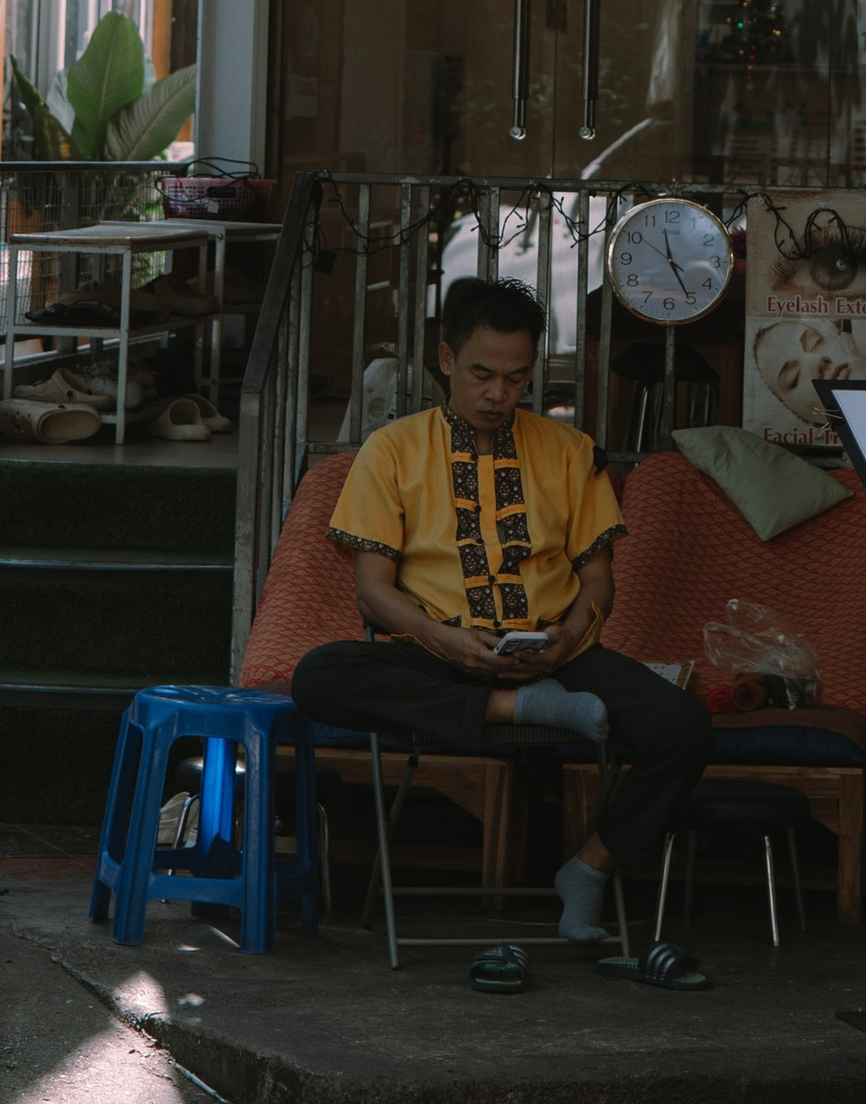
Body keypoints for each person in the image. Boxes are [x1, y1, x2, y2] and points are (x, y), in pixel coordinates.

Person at [290, 274, 713, 972]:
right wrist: (448, 640)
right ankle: (516, 706)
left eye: (516, 378)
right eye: (482, 374)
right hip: (438, 651)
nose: (498, 393)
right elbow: (373, 594)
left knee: (684, 726)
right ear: (446, 359)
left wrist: (567, 638)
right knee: (319, 674)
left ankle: (590, 865)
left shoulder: (570, 451)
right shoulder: (391, 450)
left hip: (556, 655)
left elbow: (598, 580)